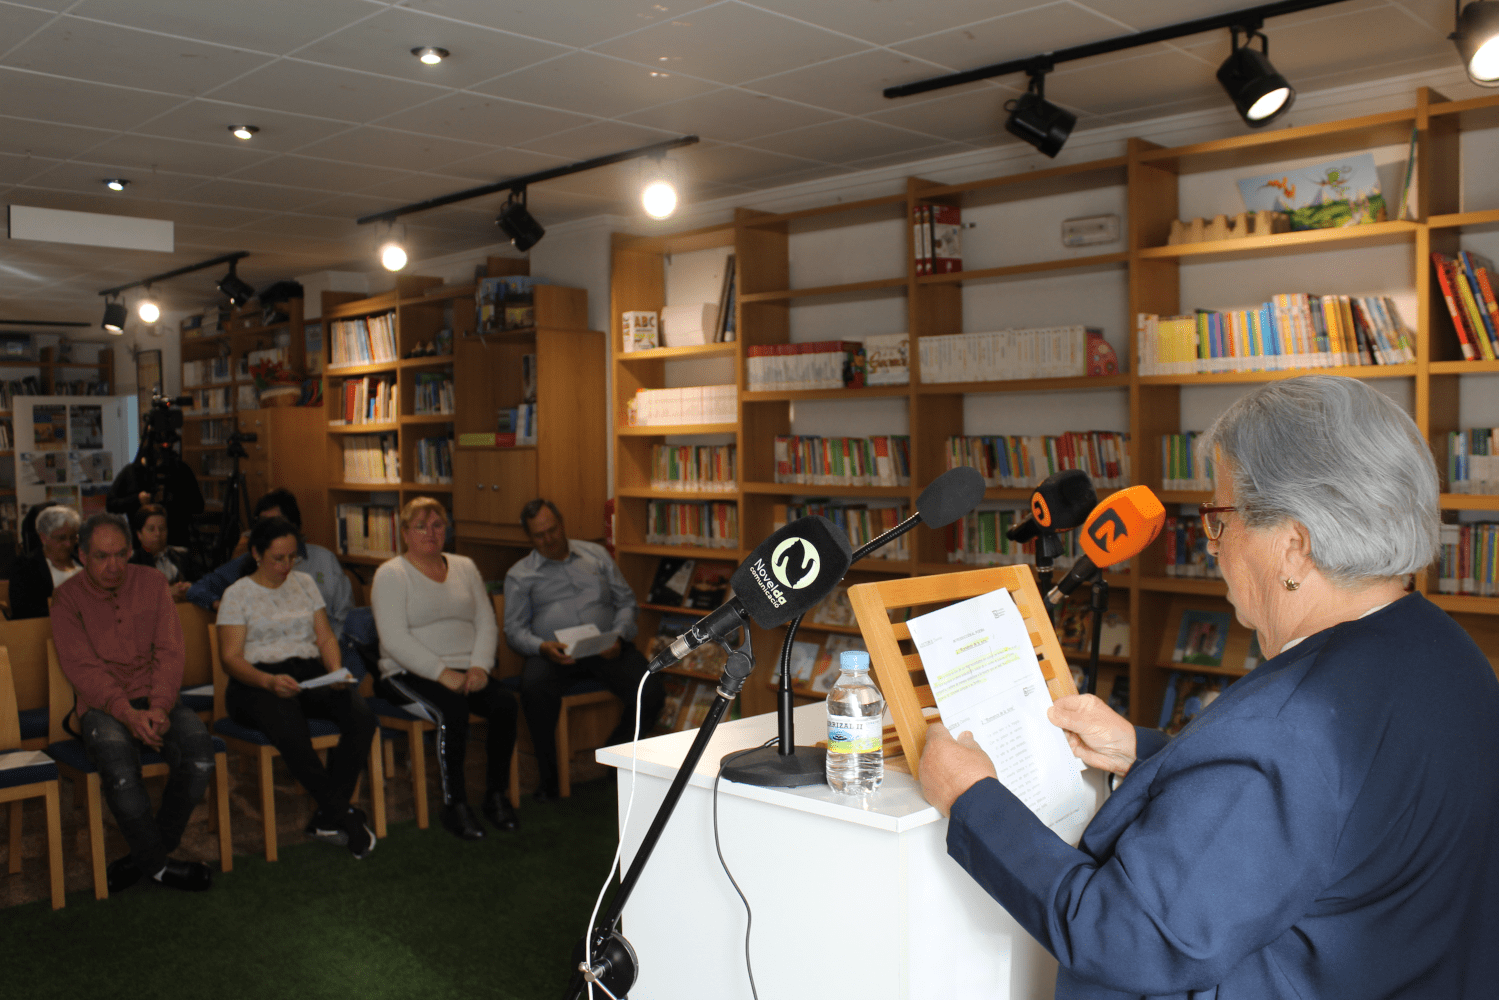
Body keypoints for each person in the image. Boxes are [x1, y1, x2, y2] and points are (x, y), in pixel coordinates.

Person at [919, 375, 1499, 998]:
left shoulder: (1285, 729)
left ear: (1294, 546)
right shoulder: (1444, 648)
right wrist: (1142, 753)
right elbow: (1330, 808)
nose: (1211, 545)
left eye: (1220, 519)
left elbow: (1128, 938)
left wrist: (972, 799)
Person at [50, 513, 215, 892]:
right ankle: (160, 867)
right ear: (82, 556)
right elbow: (83, 669)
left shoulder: (153, 583)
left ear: (130, 551)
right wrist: (127, 713)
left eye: (120, 554)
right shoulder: (67, 598)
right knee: (121, 771)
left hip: (157, 697)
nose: (113, 566)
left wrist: (159, 706)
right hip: (103, 705)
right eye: (101, 556)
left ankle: (147, 858)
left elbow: (170, 651)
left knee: (200, 756)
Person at [217, 516, 377, 858]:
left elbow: (325, 637)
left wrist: (335, 670)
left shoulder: (304, 583)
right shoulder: (237, 594)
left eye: (292, 557)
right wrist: (268, 681)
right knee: (290, 726)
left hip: (307, 672)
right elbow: (230, 659)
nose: (287, 566)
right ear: (257, 553)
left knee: (361, 716)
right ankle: (344, 814)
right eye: (278, 558)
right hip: (254, 681)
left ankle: (327, 816)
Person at [372, 497, 519, 840]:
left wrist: (480, 667)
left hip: (466, 669)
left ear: (447, 530)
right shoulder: (390, 574)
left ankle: (496, 795)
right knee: (451, 711)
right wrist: (440, 672)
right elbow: (393, 639)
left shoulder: (465, 566)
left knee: (505, 704)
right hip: (406, 673)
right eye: (420, 526)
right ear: (405, 533)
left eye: (437, 525)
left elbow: (485, 621)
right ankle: (455, 805)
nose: (430, 532)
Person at [504, 499, 664, 802]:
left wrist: (618, 636)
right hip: (555, 653)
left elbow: (626, 602)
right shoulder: (520, 574)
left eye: (552, 530)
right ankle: (549, 778)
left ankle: (615, 757)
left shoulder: (596, 555)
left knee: (651, 690)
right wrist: (542, 647)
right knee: (534, 690)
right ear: (529, 537)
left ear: (562, 523)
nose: (549, 539)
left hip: (606, 646)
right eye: (539, 535)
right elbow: (514, 630)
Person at [187, 488, 352, 638]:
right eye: (262, 523)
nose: (267, 530)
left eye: (275, 523)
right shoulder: (252, 561)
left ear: (293, 525)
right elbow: (198, 589)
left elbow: (346, 617)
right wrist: (220, 605)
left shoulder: (325, 560)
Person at [107, 439, 203, 548]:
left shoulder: (181, 470)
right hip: (140, 546)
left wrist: (172, 499)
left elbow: (198, 506)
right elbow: (111, 504)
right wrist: (137, 500)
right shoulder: (132, 472)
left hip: (175, 543)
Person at [9, 504, 82, 620]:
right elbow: (22, 611)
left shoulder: (83, 562)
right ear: (43, 538)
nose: (68, 544)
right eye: (61, 538)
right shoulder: (25, 567)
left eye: (73, 537)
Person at [130, 503, 202, 602]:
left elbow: (205, 583)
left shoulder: (183, 555)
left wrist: (190, 587)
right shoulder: (131, 561)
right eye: (151, 529)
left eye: (162, 528)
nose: (158, 534)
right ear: (139, 534)